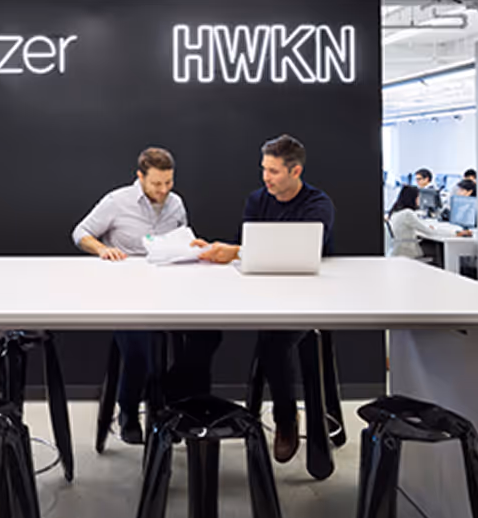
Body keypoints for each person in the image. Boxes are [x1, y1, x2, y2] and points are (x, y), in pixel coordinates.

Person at [194, 134, 335, 463]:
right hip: (264, 295)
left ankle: (286, 419)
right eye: (264, 169)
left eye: (273, 171)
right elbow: (254, 248)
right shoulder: (258, 200)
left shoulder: (318, 204)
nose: (265, 177)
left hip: (306, 297)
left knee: (273, 343)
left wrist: (237, 250)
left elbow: (303, 250)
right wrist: (220, 250)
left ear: (295, 171)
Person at [72, 147, 221, 444]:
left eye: (168, 182)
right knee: (141, 344)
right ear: (140, 177)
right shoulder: (117, 202)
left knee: (209, 333)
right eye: (156, 184)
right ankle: (128, 409)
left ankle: (170, 395)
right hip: (128, 292)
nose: (164, 190)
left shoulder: (176, 203)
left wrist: (193, 246)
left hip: (171, 289)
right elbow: (80, 232)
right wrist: (102, 248)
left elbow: (180, 240)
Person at [387, 185, 424, 259]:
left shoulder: (395, 212)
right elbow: (428, 231)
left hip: (396, 250)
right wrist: (452, 232)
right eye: (418, 197)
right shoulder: (408, 213)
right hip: (407, 252)